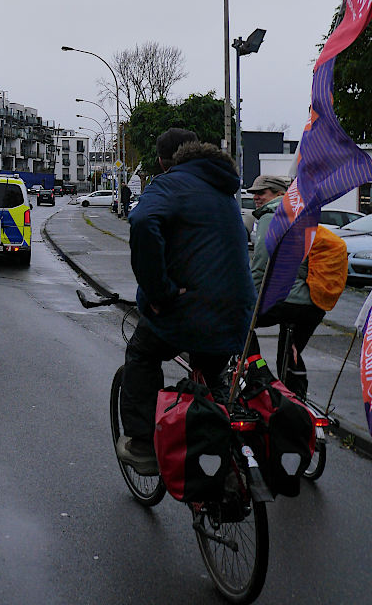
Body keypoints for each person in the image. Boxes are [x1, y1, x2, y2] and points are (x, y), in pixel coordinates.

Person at [117, 129, 256, 474]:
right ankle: (230, 451)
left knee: (141, 354)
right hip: (239, 311)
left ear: (164, 162)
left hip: (190, 310)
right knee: (212, 373)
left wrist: (160, 292)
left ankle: (144, 445)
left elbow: (143, 221)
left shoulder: (169, 184)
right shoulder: (224, 189)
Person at [246, 174, 325, 398]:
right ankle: (297, 402)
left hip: (289, 299)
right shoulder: (301, 214)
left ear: (280, 194)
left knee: (237, 318)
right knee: (289, 356)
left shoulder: (273, 214)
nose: (256, 197)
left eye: (262, 192)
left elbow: (261, 261)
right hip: (312, 303)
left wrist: (249, 299)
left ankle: (259, 374)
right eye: (254, 193)